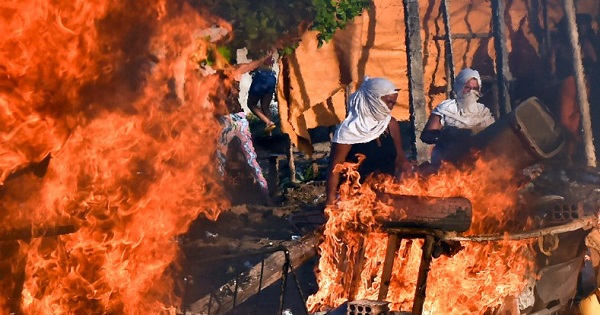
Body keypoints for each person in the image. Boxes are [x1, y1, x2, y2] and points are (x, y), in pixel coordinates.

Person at [325, 77, 412, 206]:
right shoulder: (349, 130)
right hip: (355, 199)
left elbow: (399, 157)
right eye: (387, 102)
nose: (389, 108)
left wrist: (411, 176)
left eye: (392, 104)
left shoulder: (390, 124)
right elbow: (335, 168)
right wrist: (330, 201)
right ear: (373, 99)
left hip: (386, 196)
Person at [211, 66, 273, 206]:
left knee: (219, 161)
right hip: (238, 119)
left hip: (224, 121)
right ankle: (266, 196)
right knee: (251, 159)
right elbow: (249, 65)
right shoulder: (234, 75)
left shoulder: (212, 79)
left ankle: (219, 201)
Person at [420, 68, 495, 167]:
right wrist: (445, 136)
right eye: (467, 87)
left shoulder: (483, 112)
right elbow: (426, 135)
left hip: (477, 164)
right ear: (460, 86)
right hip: (446, 163)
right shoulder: (446, 108)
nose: (471, 92)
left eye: (475, 88)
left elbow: (494, 136)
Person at [247, 55, 278, 134]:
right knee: (265, 107)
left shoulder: (258, 50)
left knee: (251, 104)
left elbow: (255, 65)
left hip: (261, 78)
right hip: (271, 77)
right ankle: (270, 131)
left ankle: (268, 122)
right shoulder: (270, 49)